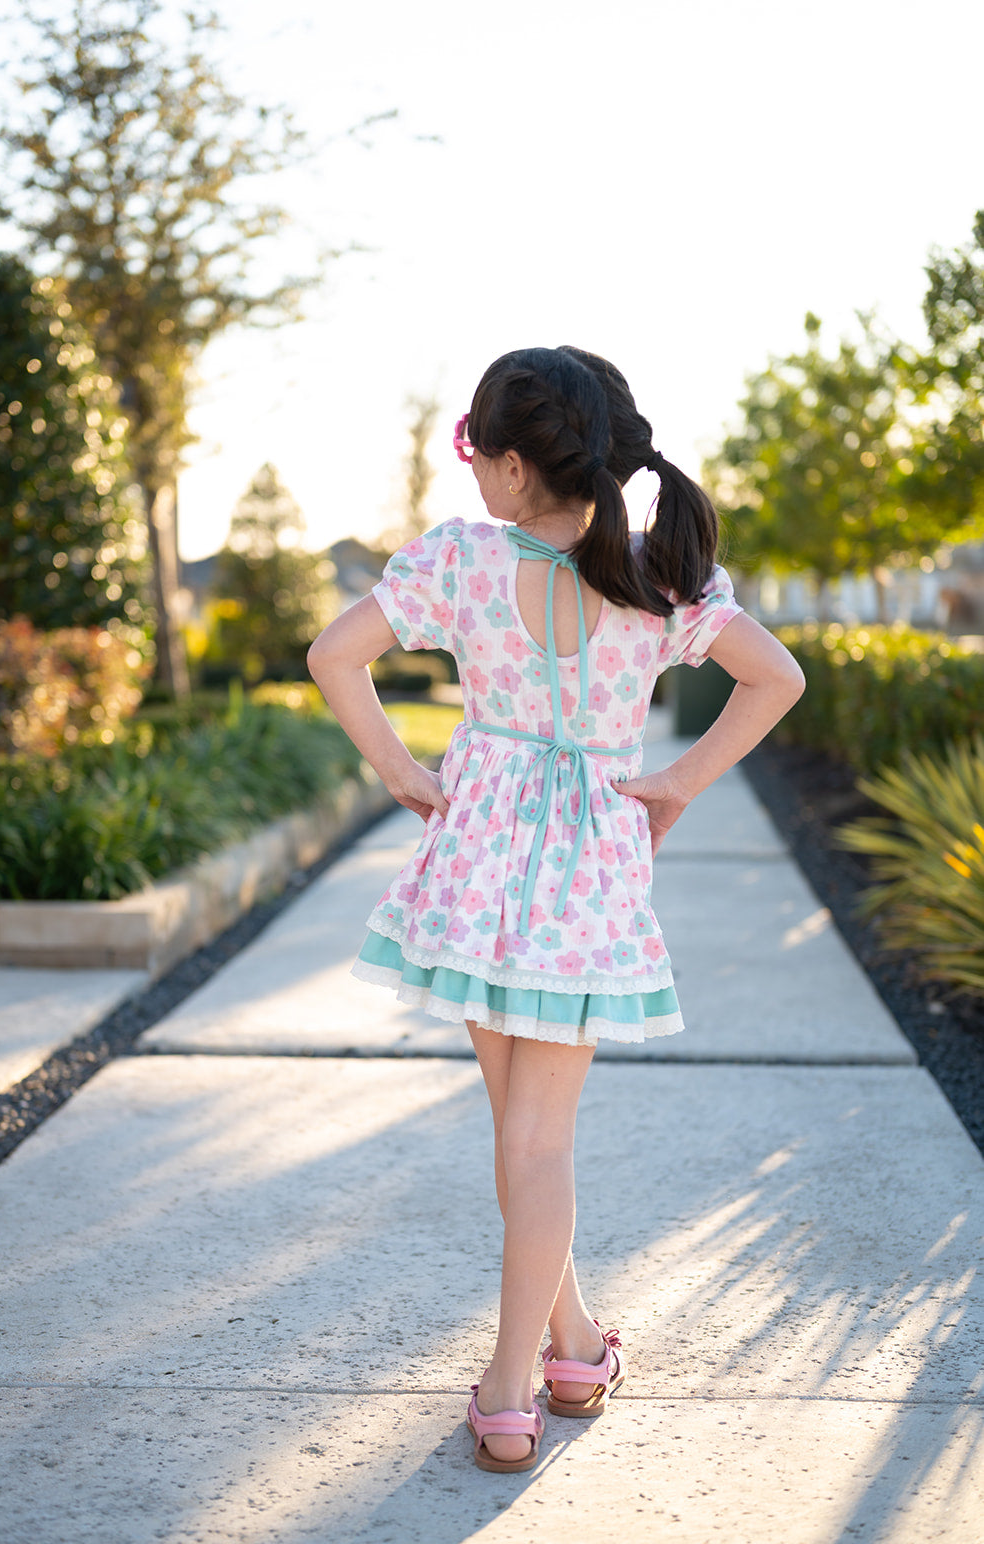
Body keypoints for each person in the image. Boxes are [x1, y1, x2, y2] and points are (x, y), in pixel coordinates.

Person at [307, 346, 805, 1472]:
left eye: (479, 447)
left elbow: (335, 655)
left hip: (477, 863)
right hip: (589, 874)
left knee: (520, 1136)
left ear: (518, 465)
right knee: (535, 1139)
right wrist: (676, 781)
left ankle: (511, 1378)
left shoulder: (464, 566)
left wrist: (403, 771)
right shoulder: (658, 573)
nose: (473, 468)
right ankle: (565, 1351)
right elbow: (777, 678)